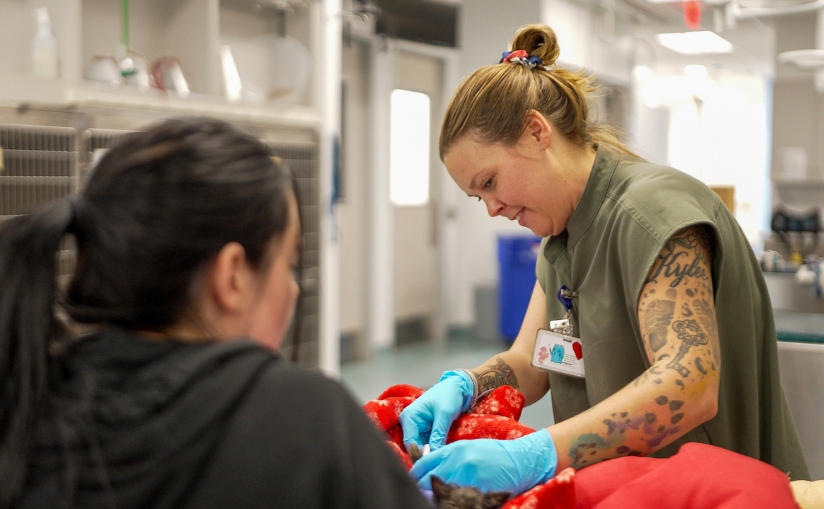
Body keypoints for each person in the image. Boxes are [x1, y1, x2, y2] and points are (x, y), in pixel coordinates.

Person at [400, 23, 810, 495]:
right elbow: (532, 363)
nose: (492, 208)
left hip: (718, 498)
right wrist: (465, 387)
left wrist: (537, 453)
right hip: (629, 494)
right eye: (478, 198)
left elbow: (688, 383)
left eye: (490, 182)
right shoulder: (561, 240)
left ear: (537, 132)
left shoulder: (652, 212)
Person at [0, 117, 431, 509]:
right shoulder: (304, 420)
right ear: (232, 277)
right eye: (289, 262)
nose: (294, 288)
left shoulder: (23, 404)